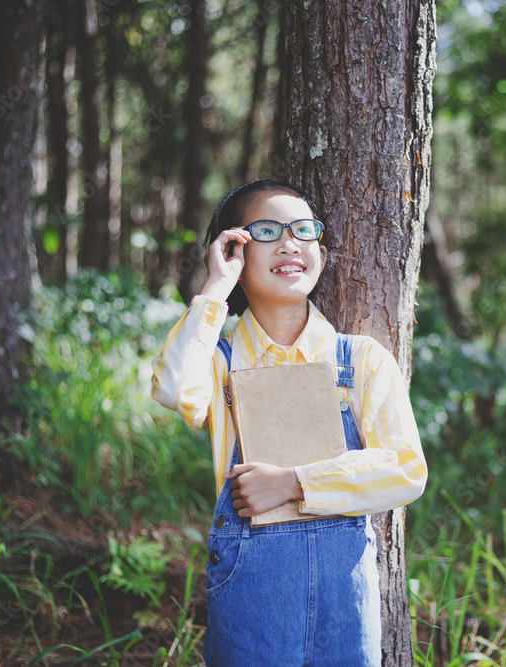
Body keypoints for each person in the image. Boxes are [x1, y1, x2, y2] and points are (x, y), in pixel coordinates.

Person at [150, 179, 427, 666]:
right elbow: (174, 390)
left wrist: (295, 483)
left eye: (302, 230)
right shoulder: (218, 362)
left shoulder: (360, 360)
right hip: (250, 599)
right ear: (235, 247)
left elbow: (406, 469)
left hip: (346, 604)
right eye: (266, 230)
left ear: (319, 251)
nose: (288, 243)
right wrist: (216, 286)